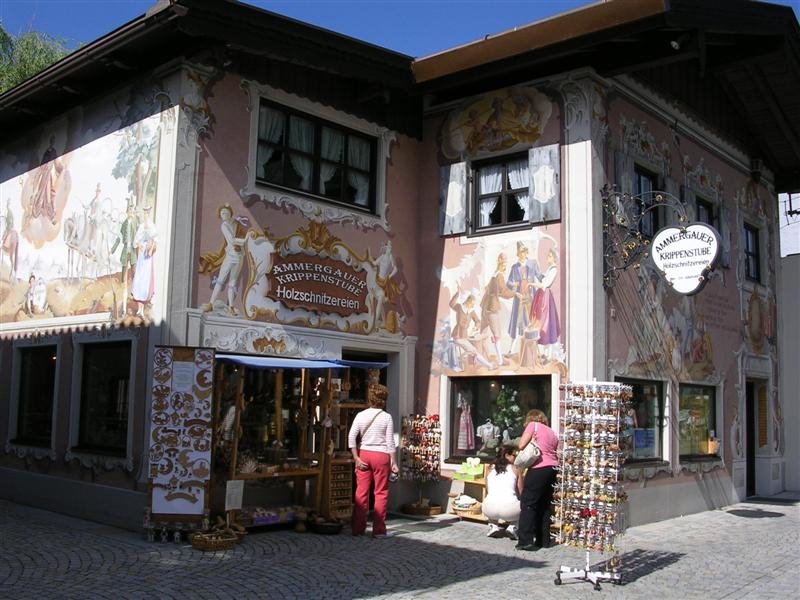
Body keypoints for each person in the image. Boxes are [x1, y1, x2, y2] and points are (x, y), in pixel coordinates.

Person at [348, 383, 398, 538]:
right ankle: (379, 531)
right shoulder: (386, 417)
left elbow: (351, 437)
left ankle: (357, 529)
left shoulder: (360, 415)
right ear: (384, 400)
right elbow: (390, 442)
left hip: (364, 454)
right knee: (381, 493)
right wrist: (394, 462)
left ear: (370, 398)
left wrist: (356, 457)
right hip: (381, 456)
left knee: (361, 493)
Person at [516, 409, 558, 551]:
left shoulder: (533, 426)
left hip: (539, 468)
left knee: (528, 503)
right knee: (544, 504)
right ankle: (543, 540)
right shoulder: (552, 432)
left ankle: (525, 540)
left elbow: (521, 445)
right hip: (553, 468)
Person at [483, 445, 522, 540]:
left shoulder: (489, 468)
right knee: (524, 504)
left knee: (492, 499)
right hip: (510, 510)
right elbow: (521, 492)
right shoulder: (516, 469)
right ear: (507, 455)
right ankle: (513, 527)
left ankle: (493, 526)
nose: (515, 457)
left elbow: (488, 489)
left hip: (489, 508)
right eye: (514, 455)